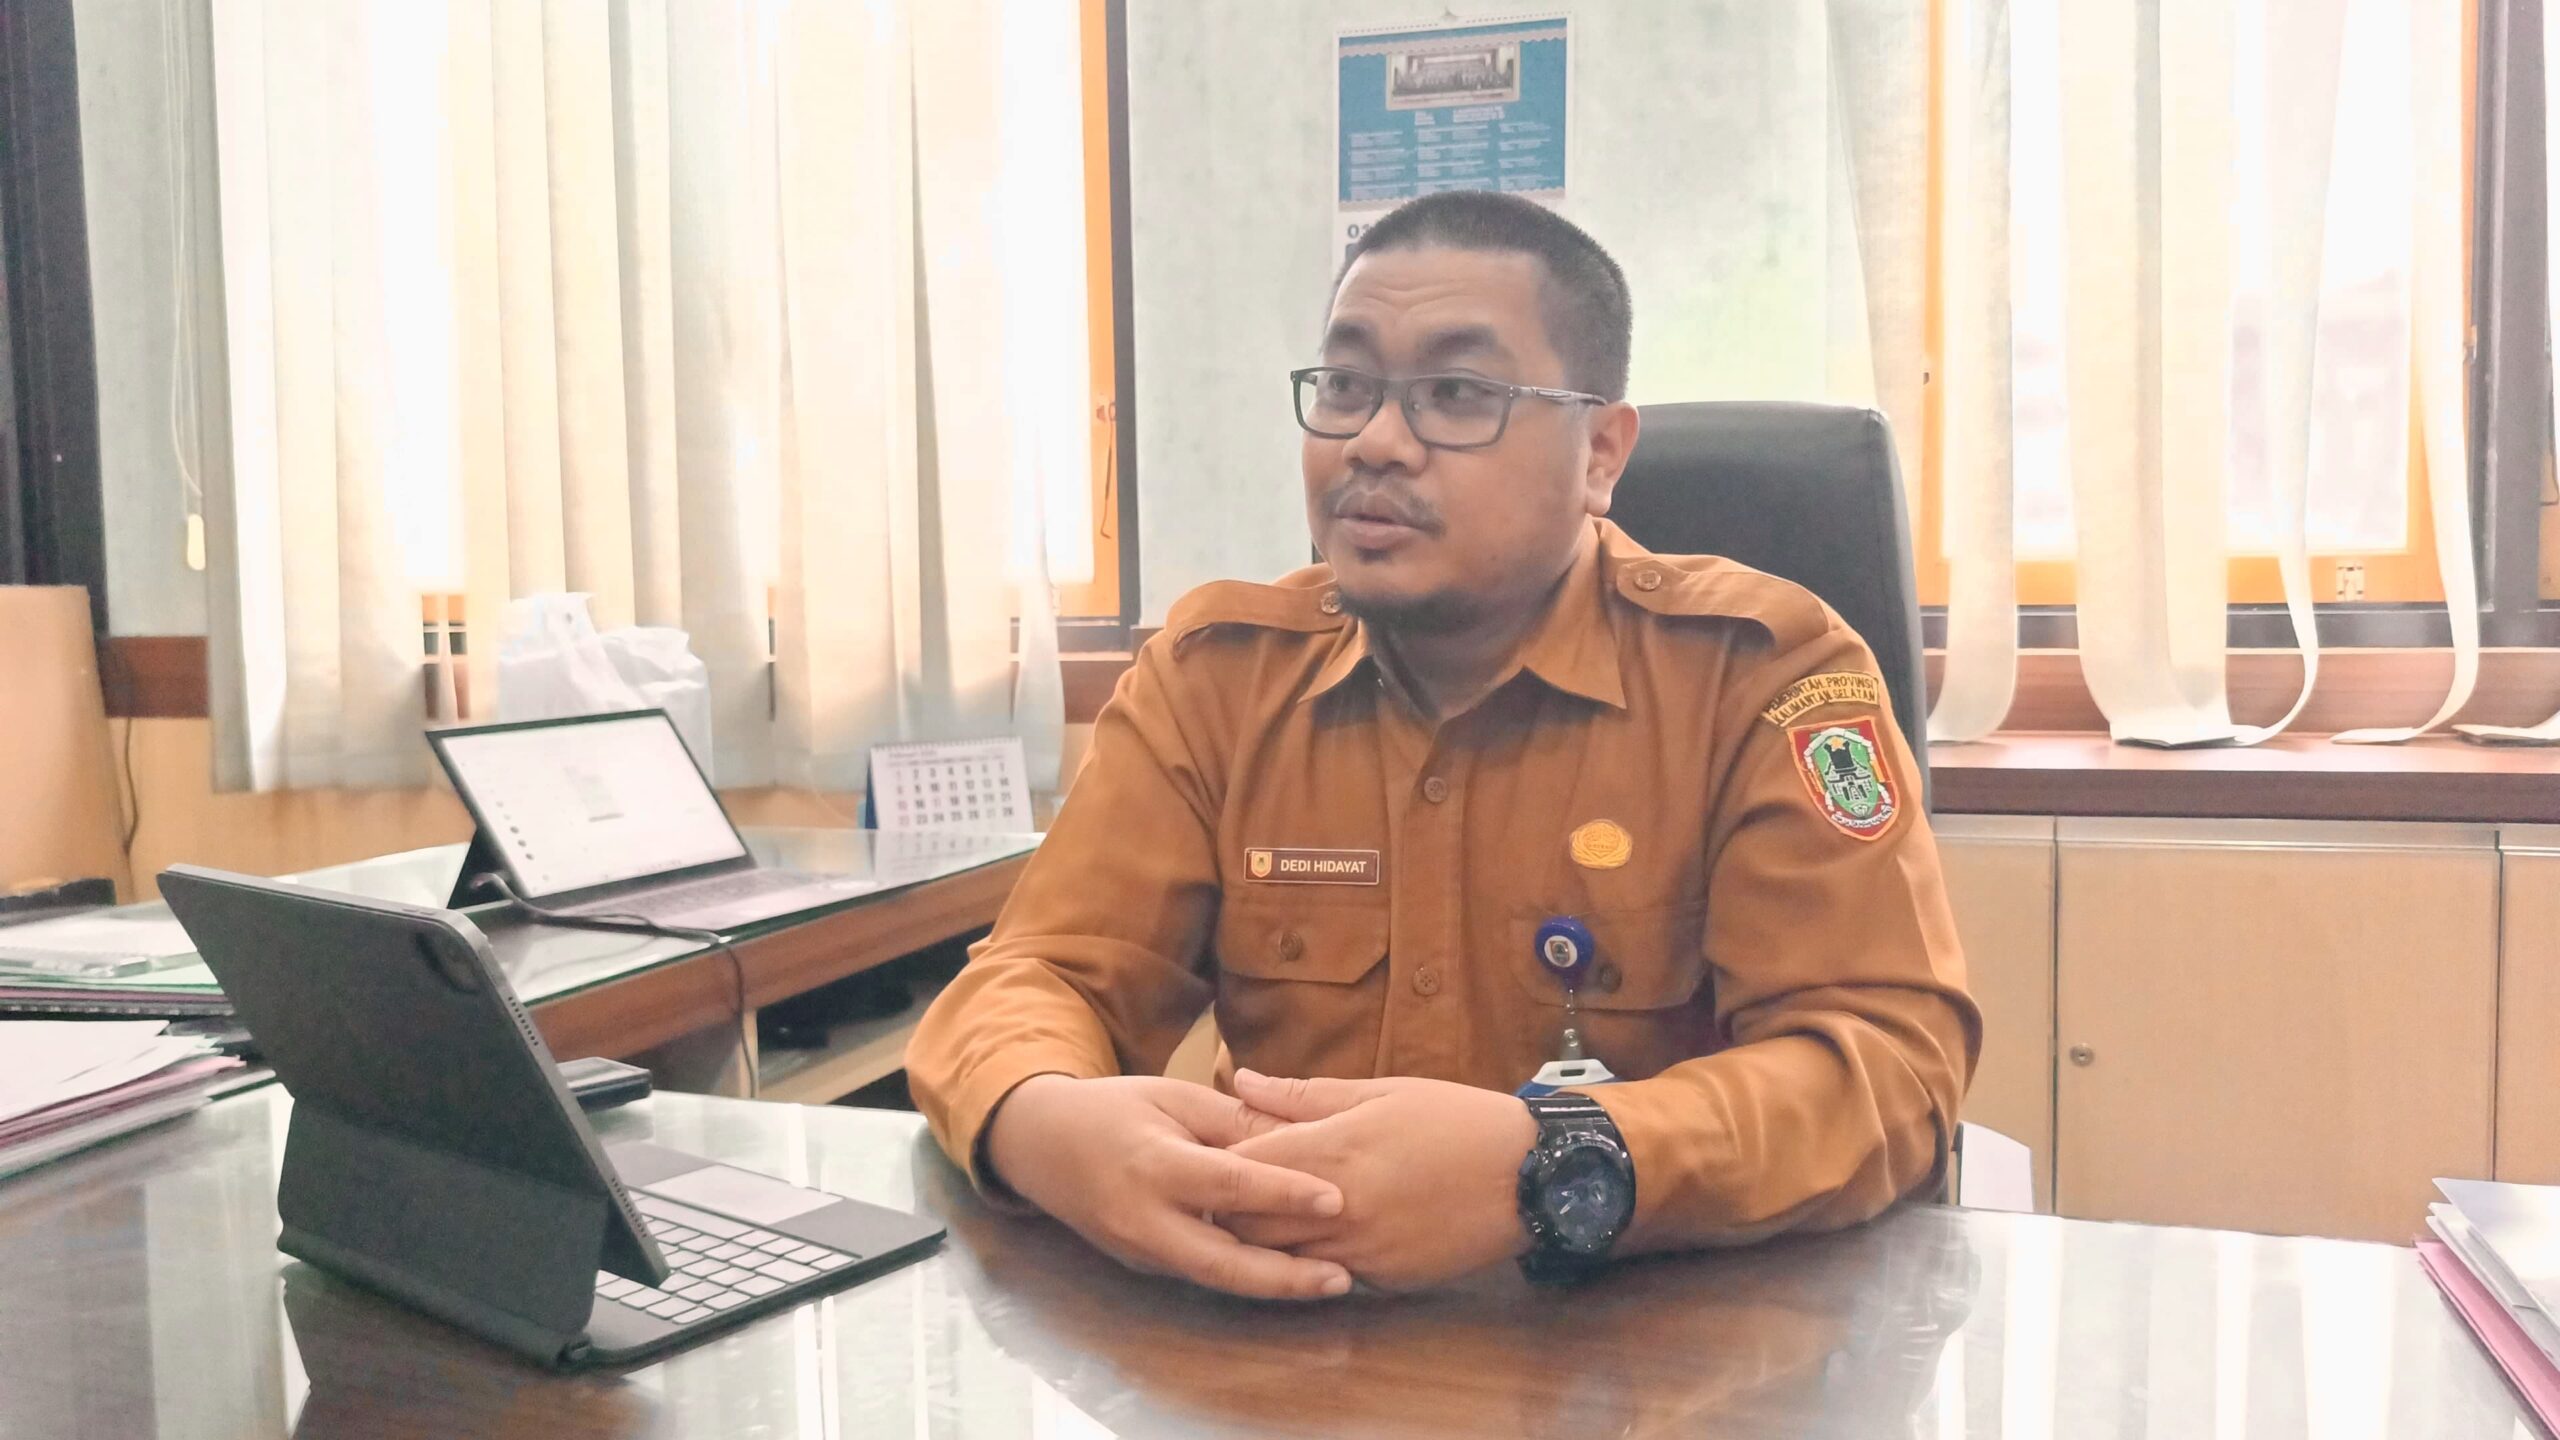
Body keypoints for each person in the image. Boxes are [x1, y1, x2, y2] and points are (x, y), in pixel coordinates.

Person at [906, 189, 1979, 1301]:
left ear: (1600, 453)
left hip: (1660, 1339)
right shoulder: (1217, 680)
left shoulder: (1761, 675)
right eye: (1346, 386)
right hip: (1289, 1326)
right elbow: (1040, 974)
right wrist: (1040, 1118)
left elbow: (1887, 1067)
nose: (1374, 441)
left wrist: (1558, 1163)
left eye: (1457, 394)